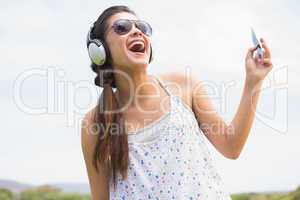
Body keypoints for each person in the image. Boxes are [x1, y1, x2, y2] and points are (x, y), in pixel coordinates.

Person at [81, 5, 273, 200]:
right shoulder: (94, 123)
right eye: (122, 27)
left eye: (142, 27)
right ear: (100, 51)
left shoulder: (184, 86)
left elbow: (231, 147)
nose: (137, 31)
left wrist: (253, 82)